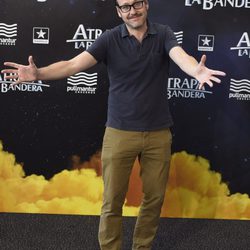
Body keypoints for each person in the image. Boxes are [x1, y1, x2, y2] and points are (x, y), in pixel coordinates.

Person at [2, 0, 226, 249]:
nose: (133, 11)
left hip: (158, 134)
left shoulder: (163, 33)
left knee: (153, 198)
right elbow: (73, 65)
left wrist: (196, 71)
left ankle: (142, 246)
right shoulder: (109, 39)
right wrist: (39, 74)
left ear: (146, 5)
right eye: (125, 7)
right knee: (112, 201)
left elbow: (181, 56)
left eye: (137, 3)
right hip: (119, 133)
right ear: (119, 12)